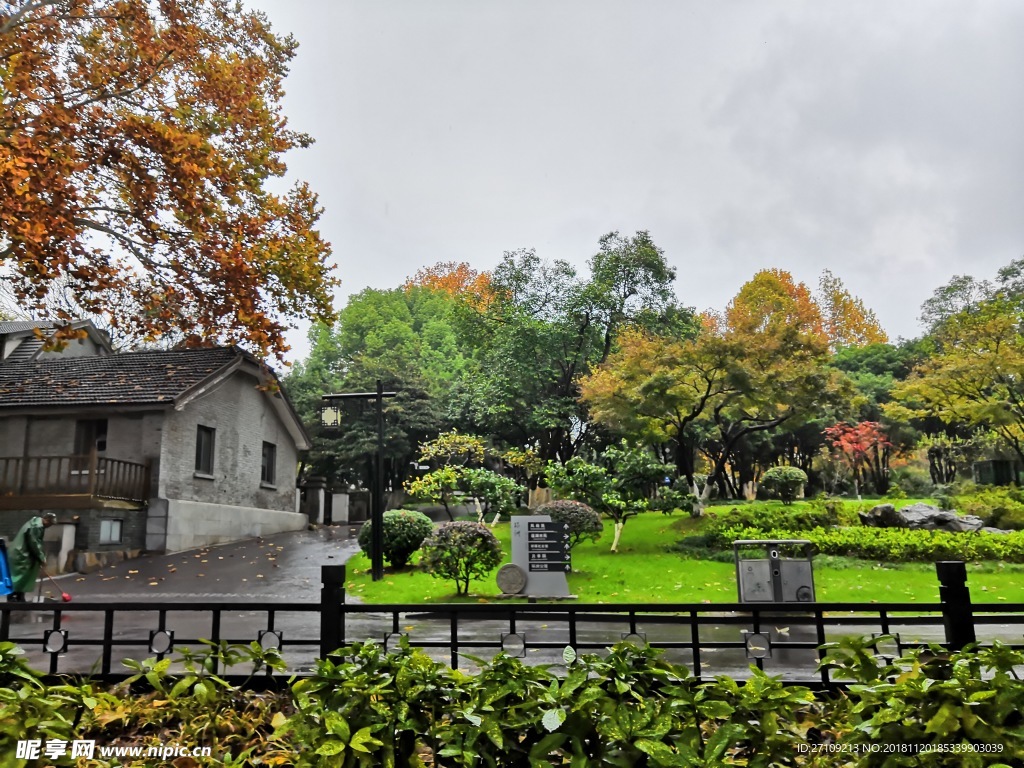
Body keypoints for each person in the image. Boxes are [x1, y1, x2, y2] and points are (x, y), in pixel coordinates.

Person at [7, 512, 56, 602]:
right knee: (18, 576)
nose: (50, 526)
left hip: (21, 552)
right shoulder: (36, 527)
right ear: (46, 520)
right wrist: (41, 558)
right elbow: (34, 543)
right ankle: (12, 596)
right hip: (21, 554)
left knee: (24, 576)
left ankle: (19, 595)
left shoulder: (36, 523)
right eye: (50, 524)